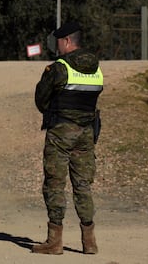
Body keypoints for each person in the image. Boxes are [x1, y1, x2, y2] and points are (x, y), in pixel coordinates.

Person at [32, 22, 103, 255]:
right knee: (83, 185)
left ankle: (54, 241)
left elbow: (41, 99)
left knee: (54, 183)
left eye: (59, 42)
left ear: (67, 41)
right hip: (86, 133)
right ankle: (89, 241)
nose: (58, 47)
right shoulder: (96, 68)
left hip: (61, 132)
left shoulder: (59, 68)